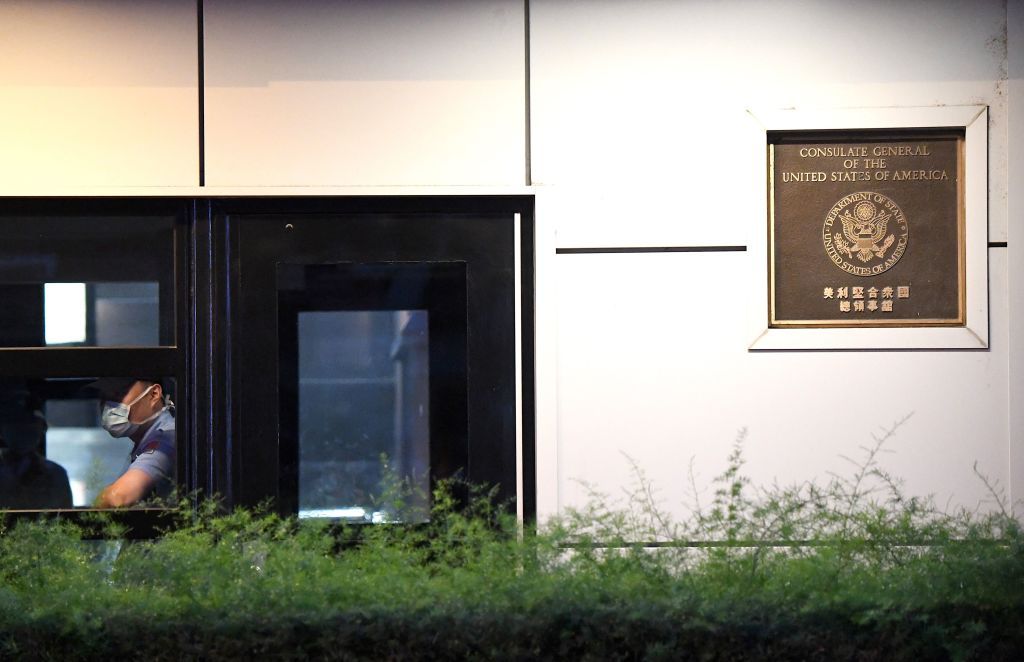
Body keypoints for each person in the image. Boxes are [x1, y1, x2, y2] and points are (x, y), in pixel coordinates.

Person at [92, 378, 175, 508]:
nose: (109, 406)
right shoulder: (144, 441)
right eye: (104, 397)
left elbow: (119, 497)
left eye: (119, 394)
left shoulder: (166, 437)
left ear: (154, 394)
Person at [0, 386, 73, 510]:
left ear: (42, 428)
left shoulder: (56, 474)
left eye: (30, 424)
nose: (22, 430)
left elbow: (66, 520)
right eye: (16, 423)